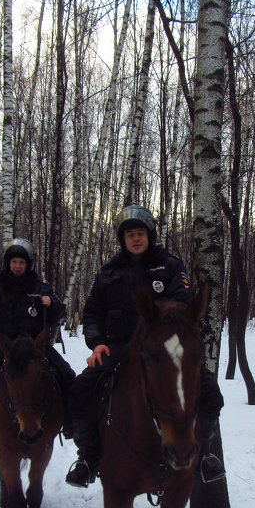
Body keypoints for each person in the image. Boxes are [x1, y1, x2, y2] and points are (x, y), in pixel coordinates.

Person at [65, 204, 225, 488]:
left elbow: (183, 302)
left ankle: (202, 455)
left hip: (162, 346)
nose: (136, 239)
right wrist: (98, 343)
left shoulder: (171, 266)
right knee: (81, 390)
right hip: (119, 346)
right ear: (122, 239)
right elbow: (92, 313)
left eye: (140, 233)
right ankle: (88, 456)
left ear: (150, 235)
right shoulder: (109, 271)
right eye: (130, 235)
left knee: (210, 392)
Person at [0, 238, 75, 440]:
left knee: (66, 372)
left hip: (36, 347)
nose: (17, 266)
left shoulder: (41, 289)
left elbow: (58, 315)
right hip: (5, 346)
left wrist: (52, 303)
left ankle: (71, 421)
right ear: (8, 263)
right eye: (14, 262)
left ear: (29, 264)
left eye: (22, 262)